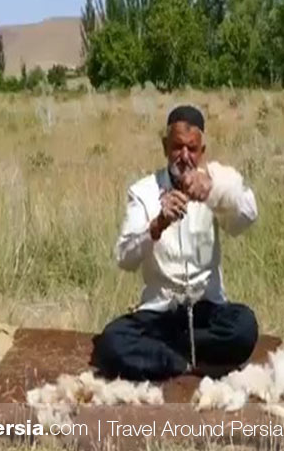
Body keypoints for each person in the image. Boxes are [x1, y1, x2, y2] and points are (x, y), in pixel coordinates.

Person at [91, 104, 259, 381]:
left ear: (202, 151)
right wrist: (157, 225)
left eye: (192, 149)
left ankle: (168, 356)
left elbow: (248, 215)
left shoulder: (216, 181)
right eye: (177, 147)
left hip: (207, 309)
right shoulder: (144, 191)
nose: (184, 156)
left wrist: (214, 192)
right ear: (165, 147)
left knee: (244, 327)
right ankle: (184, 361)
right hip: (161, 312)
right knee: (112, 342)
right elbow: (124, 257)